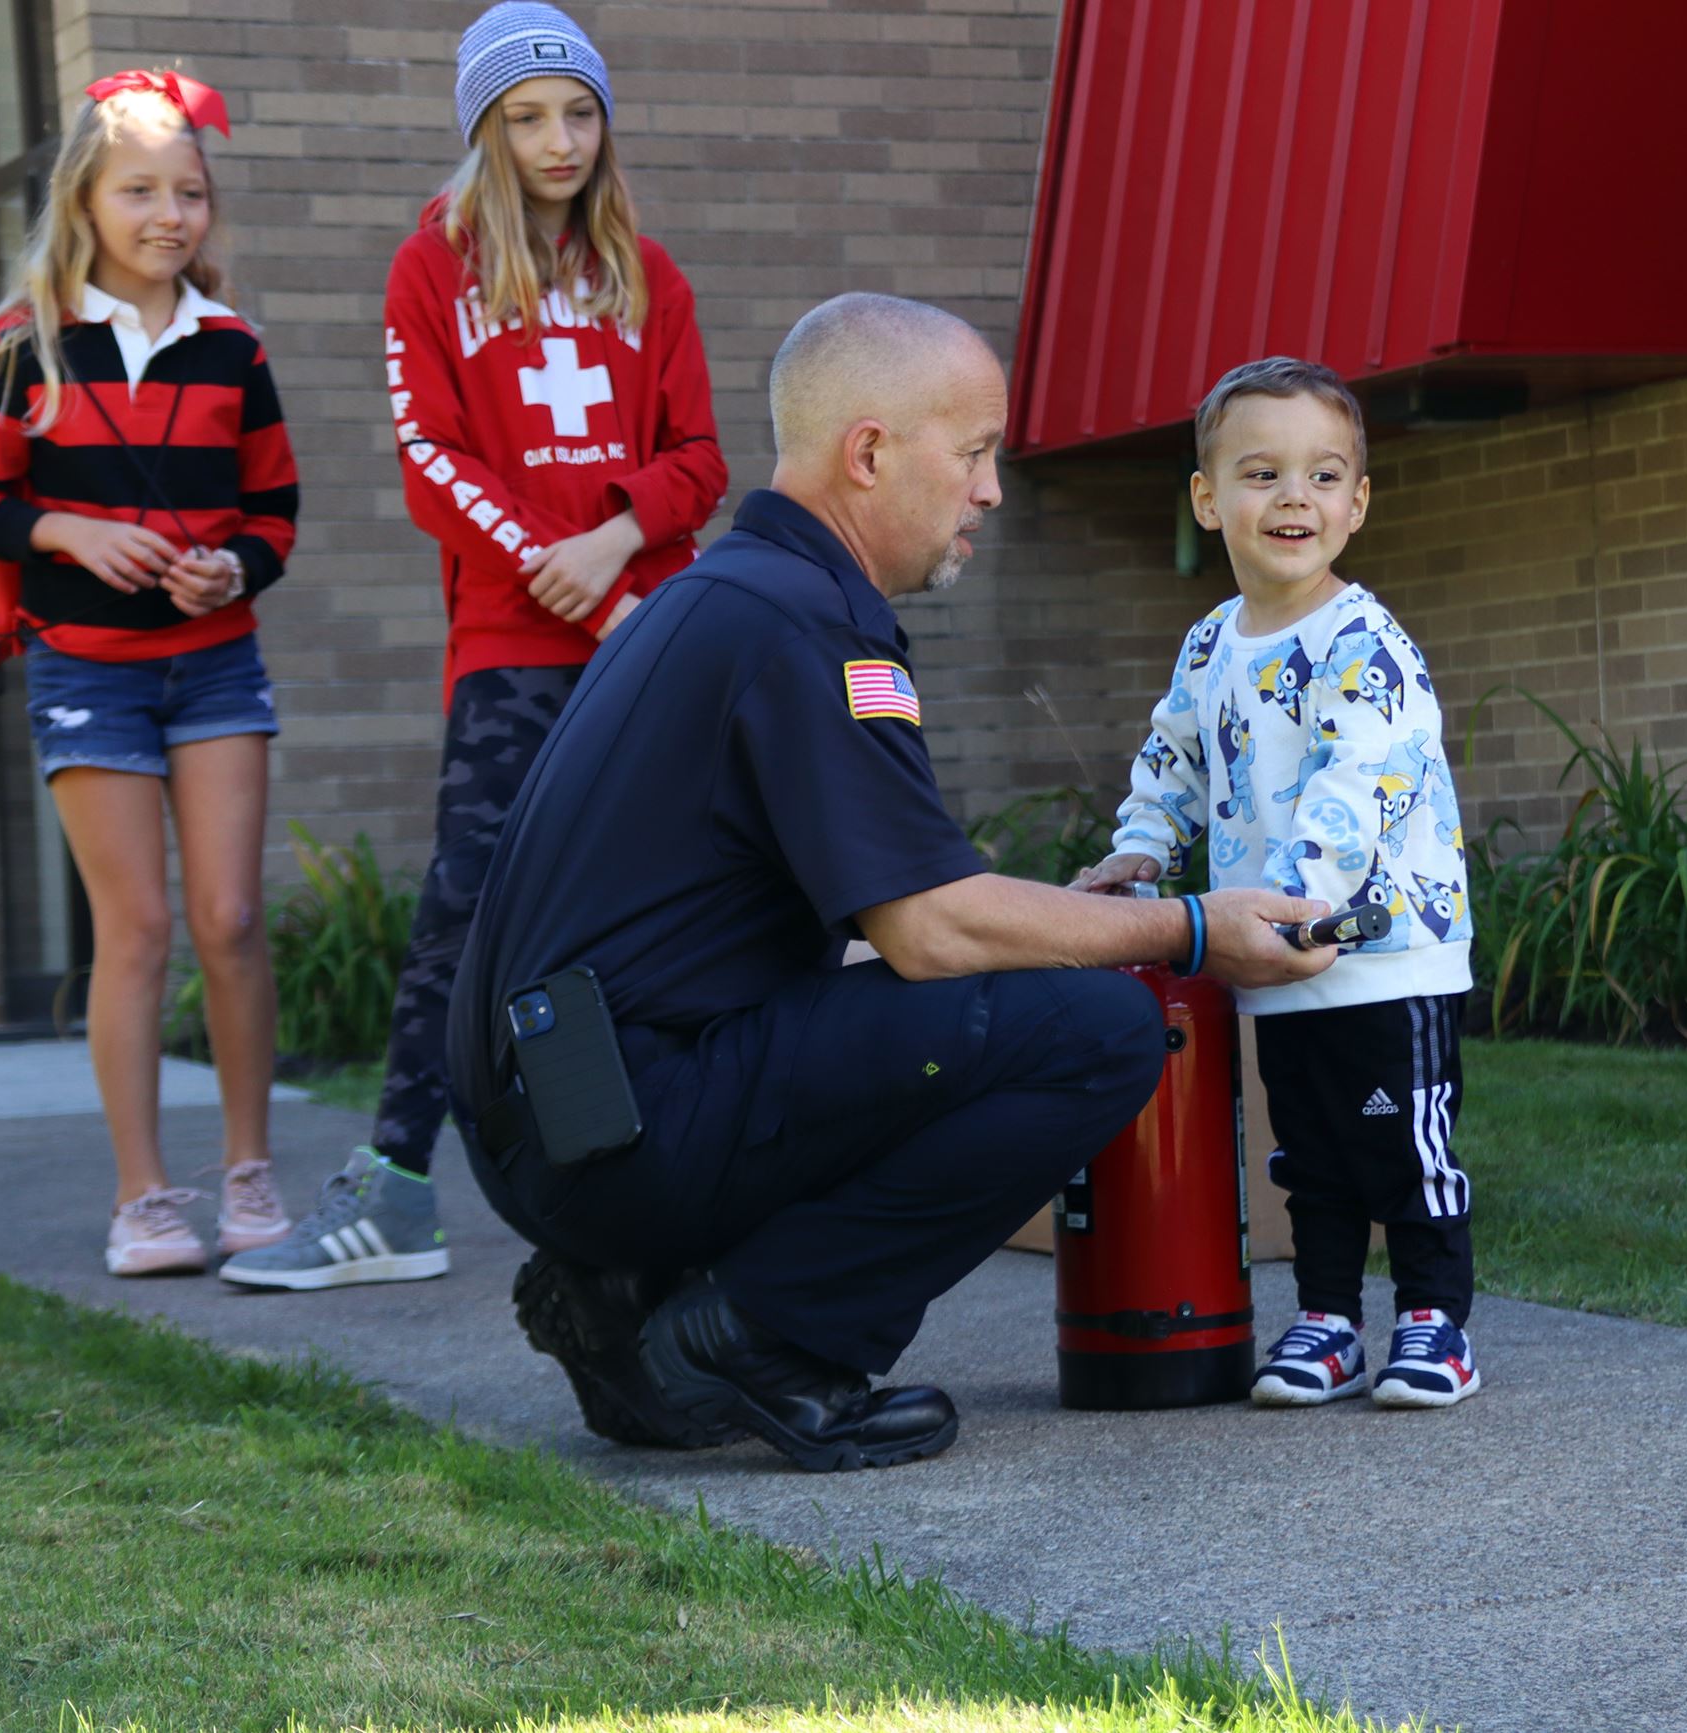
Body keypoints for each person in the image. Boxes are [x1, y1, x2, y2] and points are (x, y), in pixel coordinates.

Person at [442, 292, 1334, 1472]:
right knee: (1101, 1028)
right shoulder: (808, 627)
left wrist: (1073, 916)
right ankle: (761, 1334)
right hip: (628, 1131)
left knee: (1003, 1002)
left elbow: (874, 926)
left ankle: (628, 1297)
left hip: (564, 1124)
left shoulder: (717, 600)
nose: (988, 492)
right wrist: (1183, 925)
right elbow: (928, 927)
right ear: (868, 453)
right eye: (969, 453)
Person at [223, 3, 726, 1291]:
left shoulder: (650, 275)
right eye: (525, 117)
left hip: (639, 633)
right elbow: (433, 464)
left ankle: (641, 1195)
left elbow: (697, 458)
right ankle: (394, 1187)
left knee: (642, 918)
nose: (558, 139)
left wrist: (613, 553)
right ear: (484, 132)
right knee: (470, 909)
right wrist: (561, 577)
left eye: (578, 109)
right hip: (512, 644)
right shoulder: (430, 268)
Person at [1072, 358, 1483, 1409]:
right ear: (1209, 500)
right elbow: (1174, 764)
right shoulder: (1211, 644)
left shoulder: (1362, 643)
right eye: (1260, 474)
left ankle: (1435, 1321)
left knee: (1405, 1145)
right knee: (1310, 1152)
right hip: (1274, 950)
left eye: (1321, 474)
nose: (1292, 497)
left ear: (1355, 503)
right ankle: (1330, 1318)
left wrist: (1295, 897)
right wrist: (1142, 850)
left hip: (1380, 948)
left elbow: (1360, 785)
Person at [0, 72, 300, 1276]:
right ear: (86, 199)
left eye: (191, 192)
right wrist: (71, 533)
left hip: (215, 665)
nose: (169, 214)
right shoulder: (25, 347)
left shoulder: (232, 350)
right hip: (87, 670)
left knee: (229, 918)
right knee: (142, 928)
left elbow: (274, 508)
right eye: (141, 191)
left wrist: (236, 572)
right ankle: (144, 1197)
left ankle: (250, 1170)